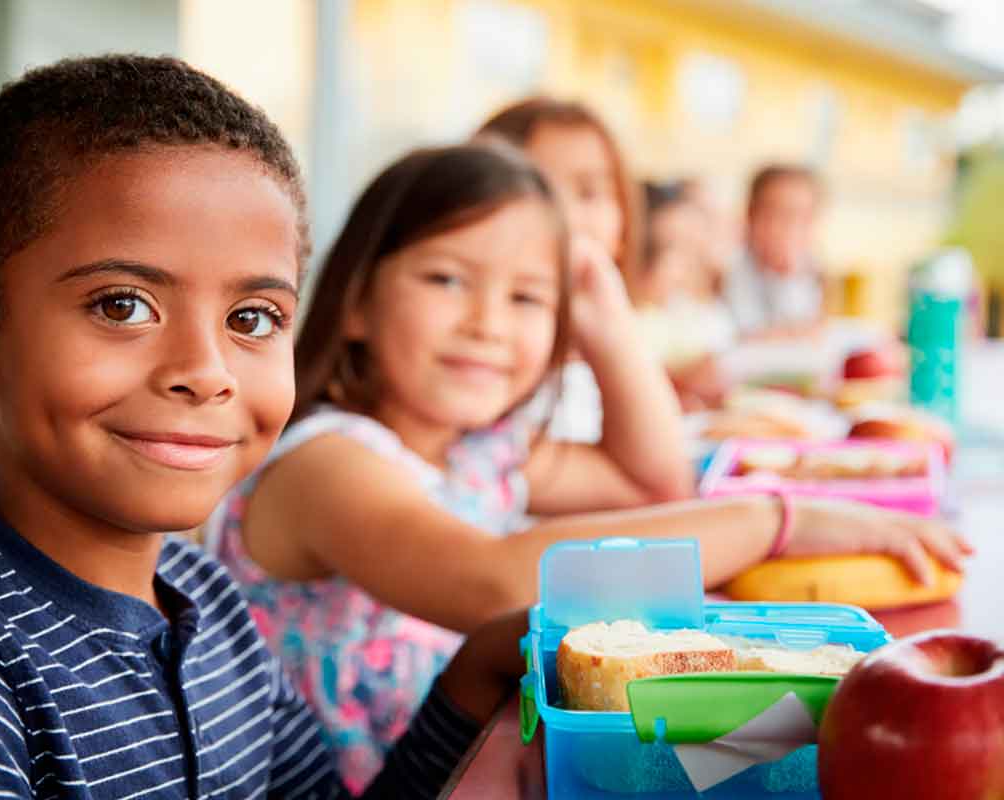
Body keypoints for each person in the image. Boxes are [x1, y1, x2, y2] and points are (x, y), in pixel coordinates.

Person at [0, 55, 530, 800]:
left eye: (252, 319)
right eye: (122, 305)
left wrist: (473, 676)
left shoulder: (207, 601)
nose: (206, 370)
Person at [209, 142, 971, 789]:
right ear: (355, 301)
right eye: (447, 279)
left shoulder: (481, 453)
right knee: (735, 754)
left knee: (772, 745)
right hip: (397, 780)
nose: (488, 323)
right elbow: (495, 584)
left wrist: (603, 315)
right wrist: (780, 518)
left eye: (527, 298)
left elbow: (654, 479)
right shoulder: (324, 462)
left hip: (493, 756)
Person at [477, 97, 689, 451]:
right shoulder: (486, 353)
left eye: (590, 193)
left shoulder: (592, 357)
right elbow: (661, 483)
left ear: (623, 227)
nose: (566, 217)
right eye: (537, 187)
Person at [630, 180, 736, 410]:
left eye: (689, 248)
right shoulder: (623, 322)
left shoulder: (667, 312)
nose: (686, 265)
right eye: (671, 248)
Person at [724, 164, 826, 338]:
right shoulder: (729, 266)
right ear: (751, 214)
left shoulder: (811, 268)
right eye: (782, 214)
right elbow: (746, 333)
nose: (792, 228)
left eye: (805, 217)